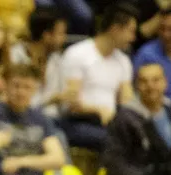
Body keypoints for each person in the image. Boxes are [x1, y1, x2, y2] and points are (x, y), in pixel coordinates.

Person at [57, 3, 136, 150]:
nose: (133, 38)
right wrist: (98, 110)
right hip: (78, 122)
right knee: (116, 142)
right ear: (115, 29)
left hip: (111, 123)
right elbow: (71, 104)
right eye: (130, 31)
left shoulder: (123, 61)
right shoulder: (78, 54)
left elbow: (127, 100)